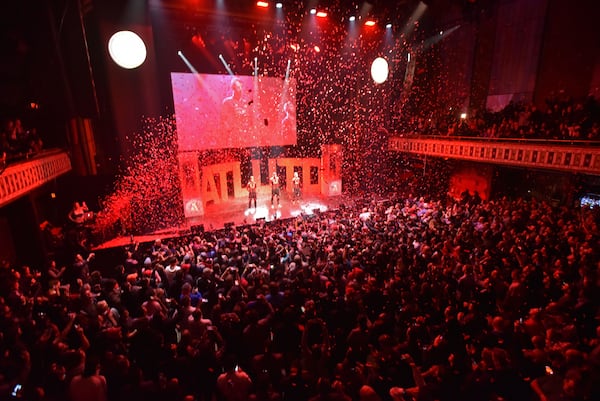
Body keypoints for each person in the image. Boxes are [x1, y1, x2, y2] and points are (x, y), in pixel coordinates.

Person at [220, 77, 250, 142]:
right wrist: (229, 130)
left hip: (244, 136)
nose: (240, 89)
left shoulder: (245, 102)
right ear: (233, 88)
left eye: (241, 87)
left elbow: (248, 119)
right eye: (238, 87)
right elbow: (223, 119)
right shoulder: (227, 102)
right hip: (232, 137)